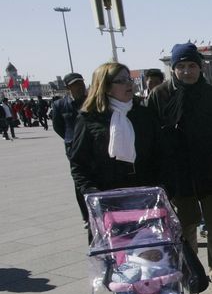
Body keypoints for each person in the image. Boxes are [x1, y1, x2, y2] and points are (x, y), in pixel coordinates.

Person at [147, 43, 212, 294]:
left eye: (191, 66)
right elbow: (152, 139)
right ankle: (190, 271)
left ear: (200, 67)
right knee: (184, 227)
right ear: (173, 69)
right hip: (178, 175)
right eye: (180, 67)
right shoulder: (160, 95)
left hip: (211, 170)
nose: (187, 72)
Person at [69, 62, 162, 197]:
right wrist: (90, 191)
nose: (129, 84)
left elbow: (162, 154)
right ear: (105, 87)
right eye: (121, 81)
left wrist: (165, 187)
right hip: (107, 197)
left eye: (129, 79)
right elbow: (79, 164)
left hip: (148, 193)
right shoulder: (89, 119)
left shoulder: (144, 115)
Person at [52, 73, 88, 221]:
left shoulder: (90, 102)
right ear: (68, 87)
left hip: (92, 146)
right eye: (76, 84)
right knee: (80, 182)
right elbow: (58, 126)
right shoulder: (59, 105)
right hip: (73, 148)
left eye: (81, 83)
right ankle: (86, 216)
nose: (80, 87)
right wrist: (71, 140)